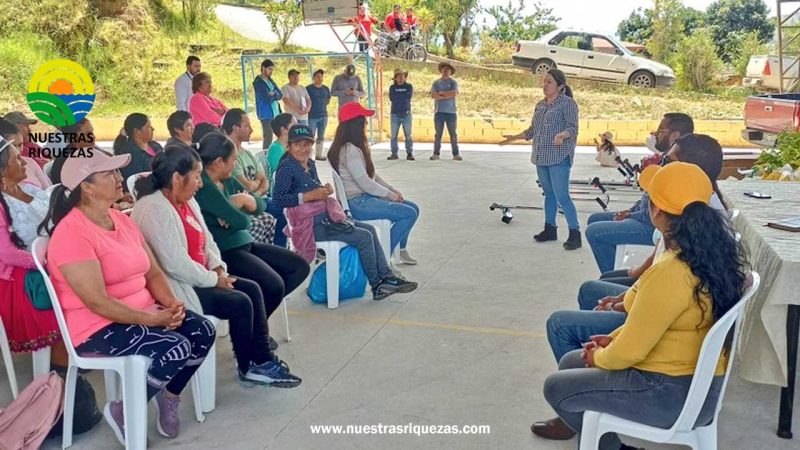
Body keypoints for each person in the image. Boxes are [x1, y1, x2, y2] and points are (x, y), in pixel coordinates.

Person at [534, 162, 748, 449]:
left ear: (657, 212)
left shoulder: (672, 271)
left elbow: (630, 352)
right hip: (691, 381)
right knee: (570, 361)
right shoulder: (708, 251)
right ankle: (602, 439)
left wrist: (600, 356)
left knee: (556, 387)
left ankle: (614, 448)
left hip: (668, 392)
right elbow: (645, 325)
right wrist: (611, 340)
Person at [41, 150, 215, 443]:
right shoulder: (72, 233)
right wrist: (154, 319)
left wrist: (171, 305)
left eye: (117, 172)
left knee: (202, 330)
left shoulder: (120, 219)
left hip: (142, 312)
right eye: (109, 174)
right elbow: (97, 302)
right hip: (97, 327)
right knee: (175, 348)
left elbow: (153, 273)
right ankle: (126, 411)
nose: (119, 178)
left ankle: (167, 394)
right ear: (87, 186)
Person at [546, 134, 729, 367]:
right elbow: (653, 292)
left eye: (668, 162)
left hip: (663, 363)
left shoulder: (674, 266)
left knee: (560, 333)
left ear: (658, 211)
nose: (662, 163)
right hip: (669, 338)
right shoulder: (694, 226)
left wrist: (601, 355)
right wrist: (616, 317)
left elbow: (633, 346)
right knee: (593, 290)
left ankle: (588, 386)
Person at [131, 147, 303, 387]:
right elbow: (175, 264)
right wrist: (215, 280)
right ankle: (251, 365)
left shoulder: (186, 200)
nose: (200, 184)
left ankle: (259, 360)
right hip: (178, 287)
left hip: (203, 275)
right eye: (197, 176)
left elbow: (207, 239)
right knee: (240, 300)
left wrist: (219, 269)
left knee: (253, 289)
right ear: (177, 178)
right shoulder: (153, 209)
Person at [274, 124, 417, 300]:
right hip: (308, 225)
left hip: (325, 217)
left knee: (369, 230)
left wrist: (323, 190)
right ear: (289, 146)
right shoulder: (287, 168)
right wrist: (309, 196)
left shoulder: (310, 163)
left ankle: (386, 277)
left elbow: (314, 189)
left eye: (307, 144)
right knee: (363, 237)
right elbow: (279, 199)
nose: (303, 149)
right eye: (298, 145)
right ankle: (377, 284)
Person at [193, 133, 309, 349]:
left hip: (244, 243)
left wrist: (244, 200)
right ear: (219, 162)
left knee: (298, 267)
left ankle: (256, 324)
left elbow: (261, 205)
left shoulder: (227, 179)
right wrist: (240, 209)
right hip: (225, 251)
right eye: (233, 160)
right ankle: (254, 337)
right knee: (273, 284)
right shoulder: (205, 188)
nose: (236, 164)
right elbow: (240, 220)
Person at [584, 113, 694, 273]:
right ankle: (615, 272)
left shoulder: (678, 165)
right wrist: (631, 210)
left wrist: (631, 216)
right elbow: (648, 196)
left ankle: (611, 279)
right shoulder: (667, 158)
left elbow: (658, 212)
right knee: (594, 219)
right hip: (645, 215)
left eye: (660, 130)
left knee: (595, 232)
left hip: (654, 225)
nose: (655, 135)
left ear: (675, 135)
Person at [328, 103, 419, 264]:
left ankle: (401, 248)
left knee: (413, 208)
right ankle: (382, 258)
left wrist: (392, 190)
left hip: (364, 199)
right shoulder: (350, 150)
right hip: (358, 202)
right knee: (408, 213)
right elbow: (365, 183)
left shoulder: (353, 148)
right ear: (355, 124)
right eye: (363, 120)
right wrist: (389, 195)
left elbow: (372, 176)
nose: (366, 124)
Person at [502, 69, 580, 249]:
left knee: (562, 196)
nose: (545, 85)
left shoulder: (568, 104)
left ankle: (575, 233)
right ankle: (550, 228)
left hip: (559, 156)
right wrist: (514, 137)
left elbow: (573, 128)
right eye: (544, 82)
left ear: (560, 86)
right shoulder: (540, 105)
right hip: (541, 156)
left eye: (549, 82)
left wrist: (562, 134)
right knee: (549, 194)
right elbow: (533, 130)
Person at [223, 109, 287, 247]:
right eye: (247, 126)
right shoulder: (227, 156)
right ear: (235, 128)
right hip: (244, 204)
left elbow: (265, 181)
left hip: (257, 198)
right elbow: (247, 186)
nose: (251, 130)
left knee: (286, 207)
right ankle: (276, 250)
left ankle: (278, 251)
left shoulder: (247, 154)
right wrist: (256, 186)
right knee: (278, 212)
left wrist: (256, 192)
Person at [113, 113, 160, 185]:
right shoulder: (129, 154)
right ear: (136, 131)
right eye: (148, 126)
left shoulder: (155, 145)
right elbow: (138, 182)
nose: (153, 129)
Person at [430, 62, 461, 161]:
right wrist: (445, 95)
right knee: (438, 134)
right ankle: (436, 153)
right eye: (445, 69)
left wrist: (442, 93)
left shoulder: (453, 82)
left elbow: (453, 94)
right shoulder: (436, 83)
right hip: (439, 112)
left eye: (449, 69)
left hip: (451, 112)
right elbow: (434, 95)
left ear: (451, 71)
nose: (446, 71)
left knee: (453, 134)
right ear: (441, 70)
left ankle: (456, 154)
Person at [49, 118, 94, 185]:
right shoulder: (73, 159)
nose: (93, 137)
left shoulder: (83, 152)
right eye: (88, 133)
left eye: (92, 132)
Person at [253, 59, 283, 149]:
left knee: (280, 135)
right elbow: (266, 99)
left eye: (272, 69)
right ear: (263, 68)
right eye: (269, 69)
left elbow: (280, 94)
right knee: (268, 137)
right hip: (266, 114)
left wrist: (273, 94)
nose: (271, 72)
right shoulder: (258, 82)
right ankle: (265, 158)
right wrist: (273, 94)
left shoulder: (271, 81)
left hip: (276, 113)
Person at [265, 113, 297, 194]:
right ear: (283, 130)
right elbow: (280, 175)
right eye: (294, 125)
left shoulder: (290, 146)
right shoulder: (275, 149)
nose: (298, 128)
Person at [388, 68, 414, 160]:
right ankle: (394, 153)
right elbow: (392, 98)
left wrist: (399, 97)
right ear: (395, 78)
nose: (401, 78)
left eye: (402, 76)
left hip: (406, 113)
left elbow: (408, 97)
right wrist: (401, 97)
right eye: (398, 76)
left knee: (408, 135)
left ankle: (409, 153)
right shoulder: (392, 87)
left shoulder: (409, 86)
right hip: (395, 114)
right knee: (394, 135)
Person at [306, 69, 331, 161]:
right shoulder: (308, 89)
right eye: (317, 76)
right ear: (313, 78)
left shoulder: (326, 88)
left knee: (321, 136)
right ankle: (309, 155)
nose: (319, 78)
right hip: (312, 116)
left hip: (323, 115)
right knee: (310, 136)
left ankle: (319, 155)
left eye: (321, 76)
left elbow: (328, 100)